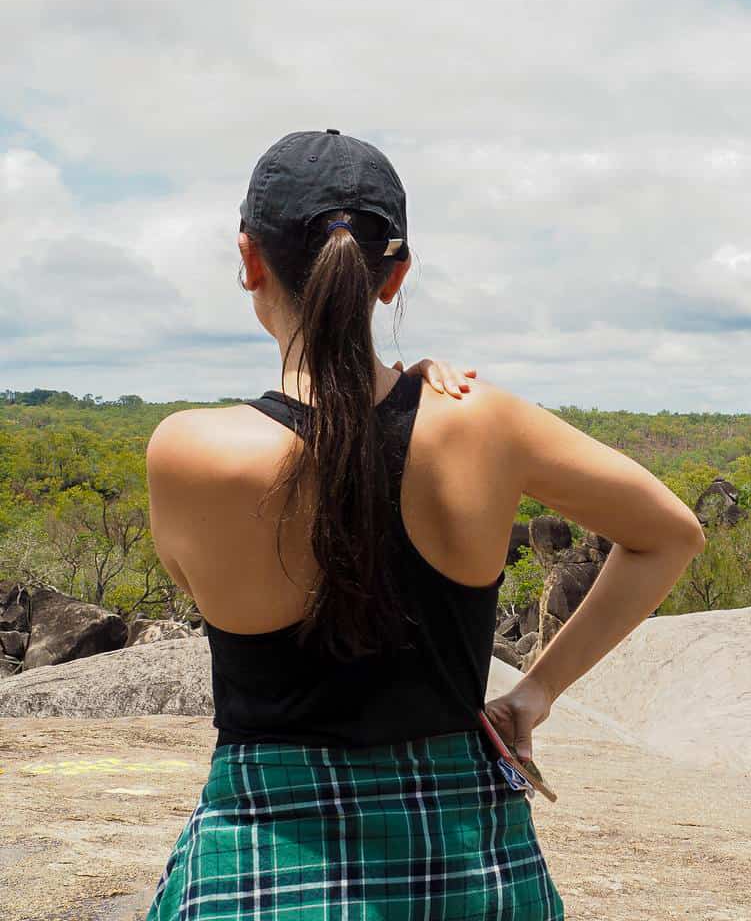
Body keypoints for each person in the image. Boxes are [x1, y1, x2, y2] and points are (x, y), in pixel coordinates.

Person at [143, 129, 707, 920]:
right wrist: (535, 693)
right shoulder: (482, 425)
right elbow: (670, 534)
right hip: (469, 859)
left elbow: (198, 580)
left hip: (265, 852)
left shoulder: (189, 451)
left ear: (249, 260)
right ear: (394, 273)